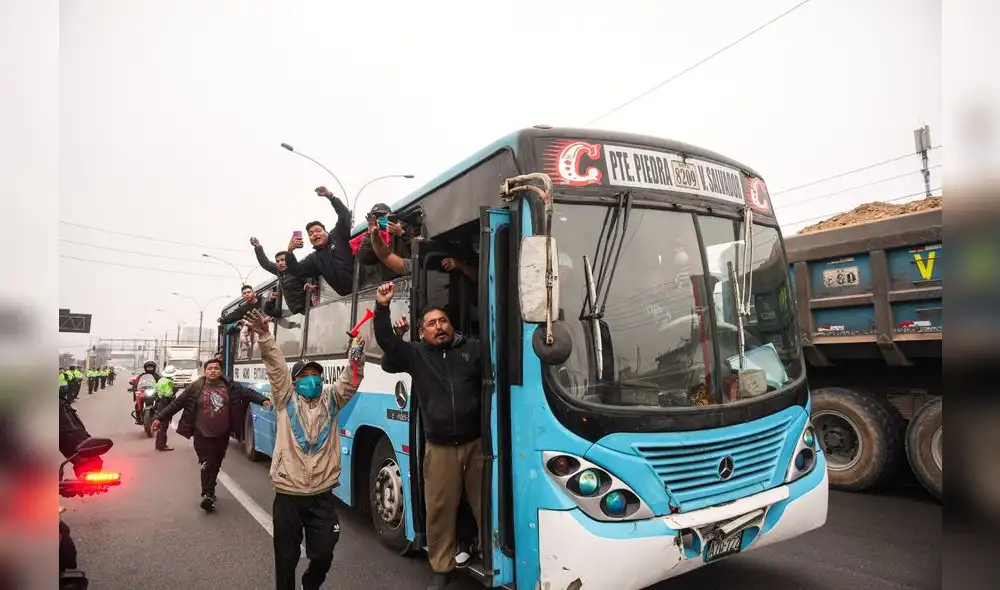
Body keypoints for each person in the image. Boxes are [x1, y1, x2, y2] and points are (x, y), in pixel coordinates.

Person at [242, 308, 365, 590]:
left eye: (316, 374)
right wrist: (264, 335)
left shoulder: (332, 400)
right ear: (295, 382)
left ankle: (311, 583)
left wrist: (357, 351)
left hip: (322, 495)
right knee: (286, 559)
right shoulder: (286, 399)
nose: (312, 379)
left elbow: (352, 378)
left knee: (323, 554)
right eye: (305, 375)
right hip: (288, 495)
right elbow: (276, 367)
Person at [372, 282, 484, 590]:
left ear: (452, 325)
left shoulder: (473, 350)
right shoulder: (416, 355)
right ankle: (442, 567)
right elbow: (386, 344)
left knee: (484, 505)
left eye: (443, 321)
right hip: (440, 448)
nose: (439, 327)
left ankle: (490, 556)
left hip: (477, 446)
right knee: (439, 511)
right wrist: (382, 308)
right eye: (432, 324)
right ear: (422, 333)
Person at [151, 357, 271, 512]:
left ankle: (210, 491)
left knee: (215, 463)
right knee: (207, 462)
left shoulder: (230, 386)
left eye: (216, 368)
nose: (213, 371)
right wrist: (159, 418)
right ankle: (208, 494)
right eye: (210, 368)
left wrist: (263, 400)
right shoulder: (195, 388)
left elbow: (247, 393)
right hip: (201, 433)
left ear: (221, 371)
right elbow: (176, 404)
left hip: (222, 433)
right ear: (205, 371)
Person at [284, 186, 355, 297]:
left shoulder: (337, 235)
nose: (315, 235)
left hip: (364, 287)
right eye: (311, 234)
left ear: (326, 232)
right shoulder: (314, 258)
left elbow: (344, 215)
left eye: (318, 230)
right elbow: (296, 270)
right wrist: (289, 252)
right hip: (347, 297)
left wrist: (330, 196)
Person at [249, 237, 307, 315]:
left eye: (283, 260)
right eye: (278, 261)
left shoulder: (298, 269)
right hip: (296, 312)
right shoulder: (279, 272)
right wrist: (258, 247)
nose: (280, 263)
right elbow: (265, 263)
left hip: (307, 308)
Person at [154, 365, 179, 452]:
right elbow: (169, 394)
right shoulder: (169, 382)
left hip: (160, 402)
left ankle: (158, 444)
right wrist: (174, 390)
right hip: (166, 403)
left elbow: (156, 388)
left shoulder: (161, 380)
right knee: (164, 425)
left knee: (161, 424)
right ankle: (162, 445)